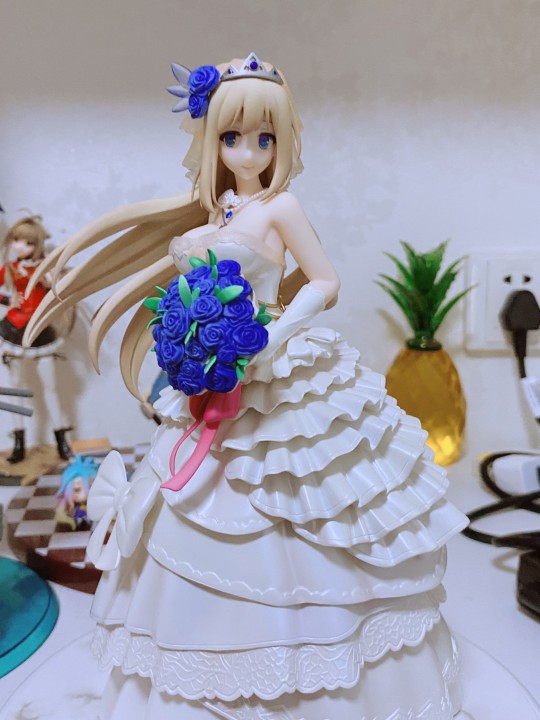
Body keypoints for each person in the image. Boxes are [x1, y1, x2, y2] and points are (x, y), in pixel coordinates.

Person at [25, 53, 467, 720]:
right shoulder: (219, 210)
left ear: (282, 141)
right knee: (188, 506)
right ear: (212, 140)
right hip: (210, 380)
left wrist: (272, 337)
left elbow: (324, 282)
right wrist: (188, 338)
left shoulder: (281, 206)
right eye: (233, 137)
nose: (249, 151)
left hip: (271, 367)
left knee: (298, 498)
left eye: (265, 137)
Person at [0, 215, 72, 462]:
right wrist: (7, 299)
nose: (20, 246)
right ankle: (19, 443)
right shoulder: (11, 268)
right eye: (17, 240)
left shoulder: (45, 267)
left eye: (28, 242)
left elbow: (58, 290)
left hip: (41, 329)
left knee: (51, 388)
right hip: (15, 328)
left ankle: (61, 440)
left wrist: (48, 273)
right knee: (15, 389)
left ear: (37, 244)